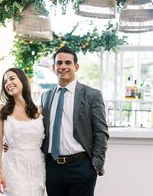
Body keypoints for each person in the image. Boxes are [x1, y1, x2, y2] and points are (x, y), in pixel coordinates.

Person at [41, 45, 109, 196]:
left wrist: (96, 165)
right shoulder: (46, 96)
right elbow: (40, 128)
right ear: (53, 67)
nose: (63, 66)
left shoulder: (92, 95)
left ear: (76, 66)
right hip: (53, 168)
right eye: (59, 63)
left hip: (81, 167)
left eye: (67, 63)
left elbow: (101, 132)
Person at [0, 67, 46, 196]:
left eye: (12, 78)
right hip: (13, 166)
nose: (8, 83)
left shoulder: (39, 110)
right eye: (5, 81)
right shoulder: (2, 110)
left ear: (23, 80)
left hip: (37, 166)